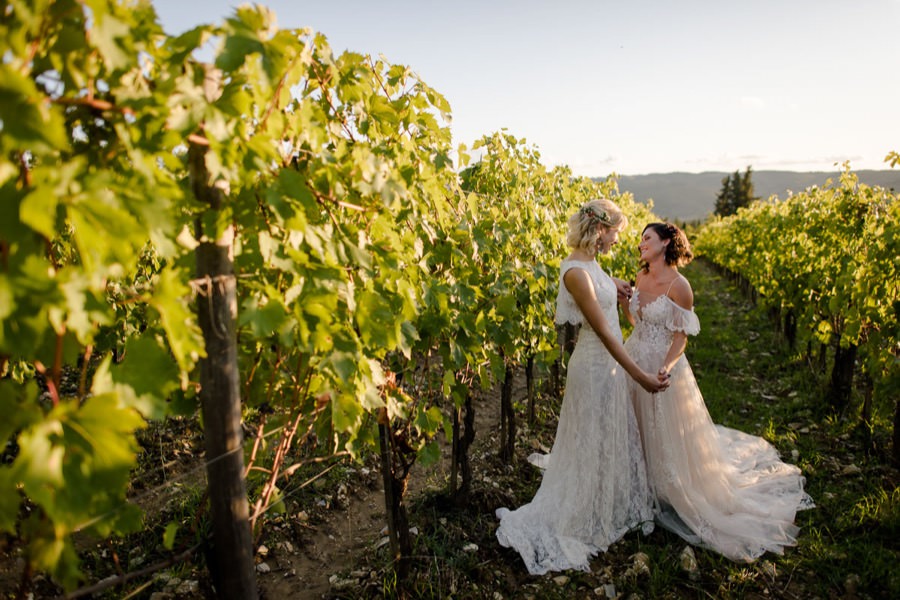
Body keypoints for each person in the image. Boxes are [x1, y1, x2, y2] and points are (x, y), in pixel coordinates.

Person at [622, 222, 814, 562]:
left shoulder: (681, 287)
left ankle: (667, 488)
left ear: (666, 243)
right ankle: (636, 483)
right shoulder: (640, 277)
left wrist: (665, 365)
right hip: (634, 357)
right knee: (635, 424)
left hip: (662, 366)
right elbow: (637, 323)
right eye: (640, 239)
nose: (640, 244)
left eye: (646, 238)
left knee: (662, 430)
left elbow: (680, 337)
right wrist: (627, 305)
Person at [495, 199, 668, 575]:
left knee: (607, 436)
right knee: (591, 437)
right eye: (615, 232)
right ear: (599, 230)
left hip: (608, 366)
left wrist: (617, 285)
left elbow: (601, 290)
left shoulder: (591, 264)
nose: (618, 239)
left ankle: (604, 502)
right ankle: (586, 511)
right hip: (593, 366)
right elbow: (605, 332)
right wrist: (639, 374)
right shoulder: (574, 272)